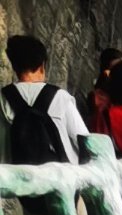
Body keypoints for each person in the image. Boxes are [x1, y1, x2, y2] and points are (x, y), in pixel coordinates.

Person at [2, 32, 89, 163]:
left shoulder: (2, 98)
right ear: (42, 66)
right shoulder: (61, 97)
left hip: (10, 178)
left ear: (15, 67)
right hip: (58, 177)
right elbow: (86, 142)